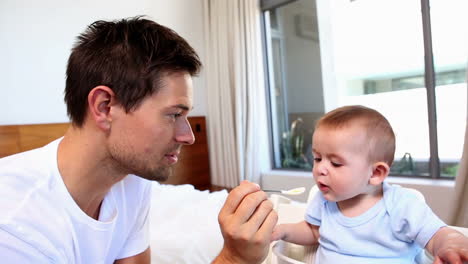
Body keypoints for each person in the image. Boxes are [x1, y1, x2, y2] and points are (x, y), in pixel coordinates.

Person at [0, 17, 277, 263]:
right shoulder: (16, 227)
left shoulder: (132, 182)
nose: (188, 136)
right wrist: (235, 258)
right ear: (105, 106)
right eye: (173, 115)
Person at [271, 105, 468, 264]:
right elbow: (314, 232)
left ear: (375, 173)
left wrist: (451, 245)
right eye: (317, 158)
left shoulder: (402, 205)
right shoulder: (324, 200)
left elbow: (436, 235)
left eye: (335, 163)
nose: (320, 169)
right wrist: (282, 231)